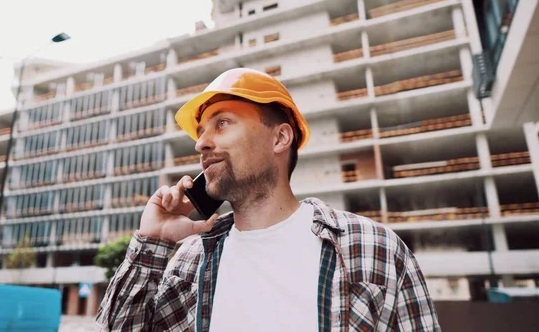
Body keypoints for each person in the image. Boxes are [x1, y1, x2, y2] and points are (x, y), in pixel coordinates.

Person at [95, 68, 441, 331]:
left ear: (280, 138)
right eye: (201, 133)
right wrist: (152, 243)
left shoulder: (372, 249)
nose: (201, 144)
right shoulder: (189, 260)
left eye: (222, 123)